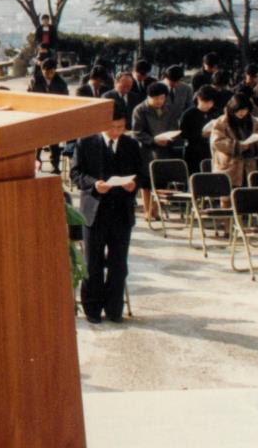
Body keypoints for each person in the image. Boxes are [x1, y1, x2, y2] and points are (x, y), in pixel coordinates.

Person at [70, 103, 141, 324]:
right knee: (93, 263)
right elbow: (75, 173)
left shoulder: (131, 144)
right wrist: (93, 184)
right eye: (112, 127)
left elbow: (141, 173)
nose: (116, 132)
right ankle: (92, 310)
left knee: (119, 263)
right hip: (95, 211)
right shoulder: (86, 141)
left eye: (120, 127)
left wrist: (133, 185)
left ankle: (114, 309)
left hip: (121, 211)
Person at [132, 82, 181, 220]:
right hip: (146, 150)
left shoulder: (170, 109)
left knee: (161, 182)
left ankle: (155, 210)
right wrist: (153, 140)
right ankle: (147, 210)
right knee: (147, 183)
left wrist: (170, 138)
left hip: (164, 150)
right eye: (156, 98)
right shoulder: (140, 110)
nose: (159, 101)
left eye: (162, 98)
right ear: (149, 97)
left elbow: (174, 127)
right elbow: (137, 132)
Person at [209, 93, 258, 188]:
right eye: (239, 110)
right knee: (227, 196)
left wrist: (253, 143)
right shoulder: (221, 122)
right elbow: (217, 142)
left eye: (245, 110)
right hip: (228, 165)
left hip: (248, 164)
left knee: (246, 195)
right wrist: (238, 146)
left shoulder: (253, 121)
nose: (242, 112)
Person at [30, 58, 69, 172]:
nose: (49, 75)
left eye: (51, 72)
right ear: (42, 70)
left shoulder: (61, 82)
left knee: (54, 143)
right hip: (39, 114)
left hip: (54, 115)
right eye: (46, 72)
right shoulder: (35, 80)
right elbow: (31, 97)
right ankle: (36, 163)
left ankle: (55, 165)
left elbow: (65, 98)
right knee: (37, 143)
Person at [179, 85, 219, 176]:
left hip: (211, 150)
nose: (208, 105)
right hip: (194, 152)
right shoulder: (188, 114)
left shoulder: (215, 113)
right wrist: (200, 135)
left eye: (211, 102)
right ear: (198, 99)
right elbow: (183, 134)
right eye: (205, 102)